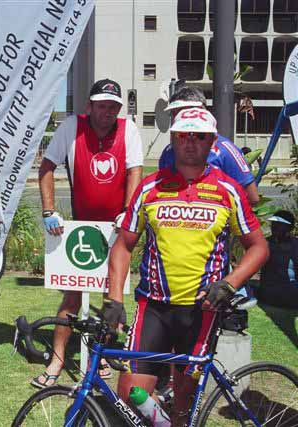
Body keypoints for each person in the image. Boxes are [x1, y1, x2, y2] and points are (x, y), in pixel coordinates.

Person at [105, 107, 269, 426]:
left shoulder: (228, 190)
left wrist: (229, 283)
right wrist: (113, 300)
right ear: (173, 139)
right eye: (183, 135)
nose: (191, 142)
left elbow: (259, 247)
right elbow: (123, 245)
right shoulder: (150, 188)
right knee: (129, 394)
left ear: (212, 142)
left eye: (200, 136)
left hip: (201, 310)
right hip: (153, 307)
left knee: (183, 401)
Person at [33, 78, 144, 387]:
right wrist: (48, 210)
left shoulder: (129, 130)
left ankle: (101, 354)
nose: (108, 112)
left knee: (111, 297)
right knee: (72, 297)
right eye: (102, 106)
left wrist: (128, 211)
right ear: (90, 106)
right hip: (80, 227)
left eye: (113, 107)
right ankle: (57, 359)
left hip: (116, 228)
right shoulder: (72, 127)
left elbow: (135, 171)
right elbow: (47, 166)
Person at [159, 85, 259, 206]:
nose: (177, 117)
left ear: (202, 110)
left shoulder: (225, 150)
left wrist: (215, 208)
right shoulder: (168, 152)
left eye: (182, 111)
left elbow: (252, 197)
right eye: (174, 113)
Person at [258, 210, 298, 309]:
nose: (274, 226)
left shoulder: (295, 245)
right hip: (269, 293)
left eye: (279, 224)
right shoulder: (265, 244)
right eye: (274, 223)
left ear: (289, 227)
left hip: (291, 292)